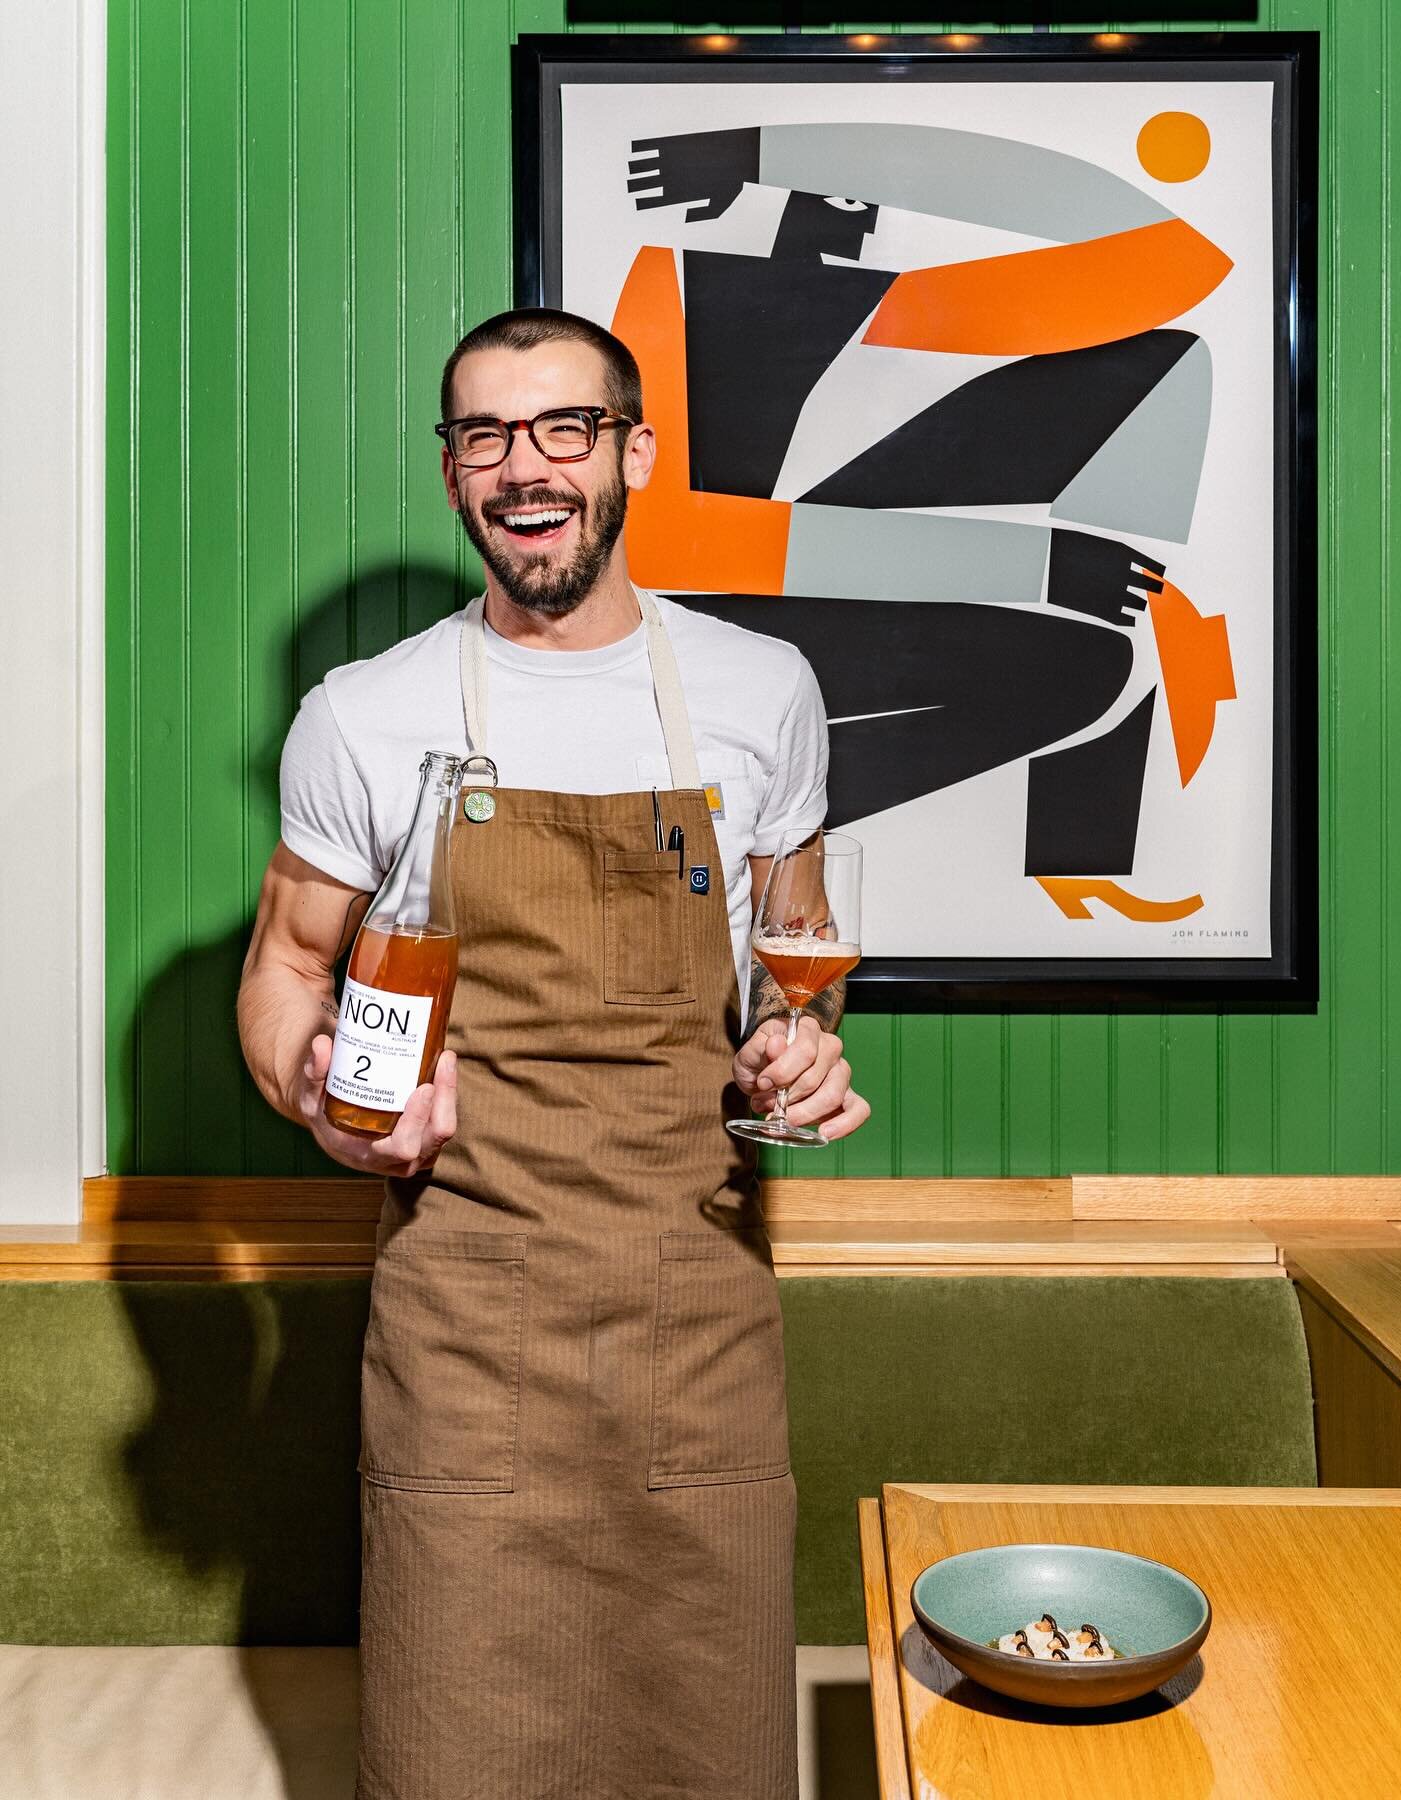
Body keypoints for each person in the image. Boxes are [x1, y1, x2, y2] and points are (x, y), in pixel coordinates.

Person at [237, 306, 870, 1800]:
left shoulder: (760, 691)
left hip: (696, 1313)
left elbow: (801, 954)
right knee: (459, 1747)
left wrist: (801, 1048)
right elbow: (282, 970)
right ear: (453, 471)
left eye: (563, 429)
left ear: (631, 451)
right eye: (485, 436)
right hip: (464, 1329)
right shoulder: (367, 716)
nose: (526, 466)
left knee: (707, 1750)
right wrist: (330, 1099)